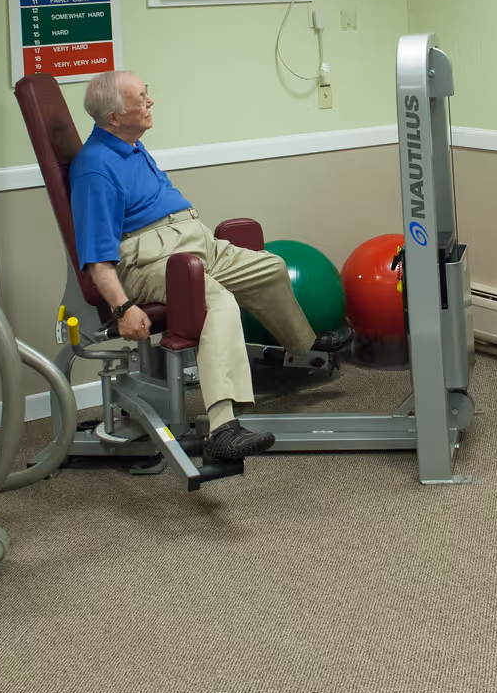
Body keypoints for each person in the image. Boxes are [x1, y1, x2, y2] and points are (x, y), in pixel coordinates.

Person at [69, 71, 352, 462]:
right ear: (114, 117)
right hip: (154, 261)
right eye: (141, 98)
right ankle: (223, 427)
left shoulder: (131, 145)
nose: (151, 102)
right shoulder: (95, 168)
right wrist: (122, 308)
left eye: (147, 93)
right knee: (216, 303)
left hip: (196, 241)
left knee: (269, 267)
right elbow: (97, 259)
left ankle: (302, 347)